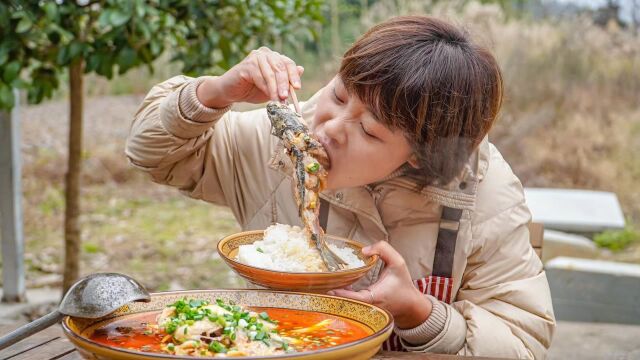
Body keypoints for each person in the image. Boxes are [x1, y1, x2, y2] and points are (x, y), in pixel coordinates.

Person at [126, 15, 555, 358]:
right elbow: (151, 154)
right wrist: (216, 92)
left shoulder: (482, 190)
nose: (329, 127)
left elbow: (523, 340)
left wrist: (418, 312)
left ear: (420, 154)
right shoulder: (281, 141)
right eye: (338, 93)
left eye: (368, 132)